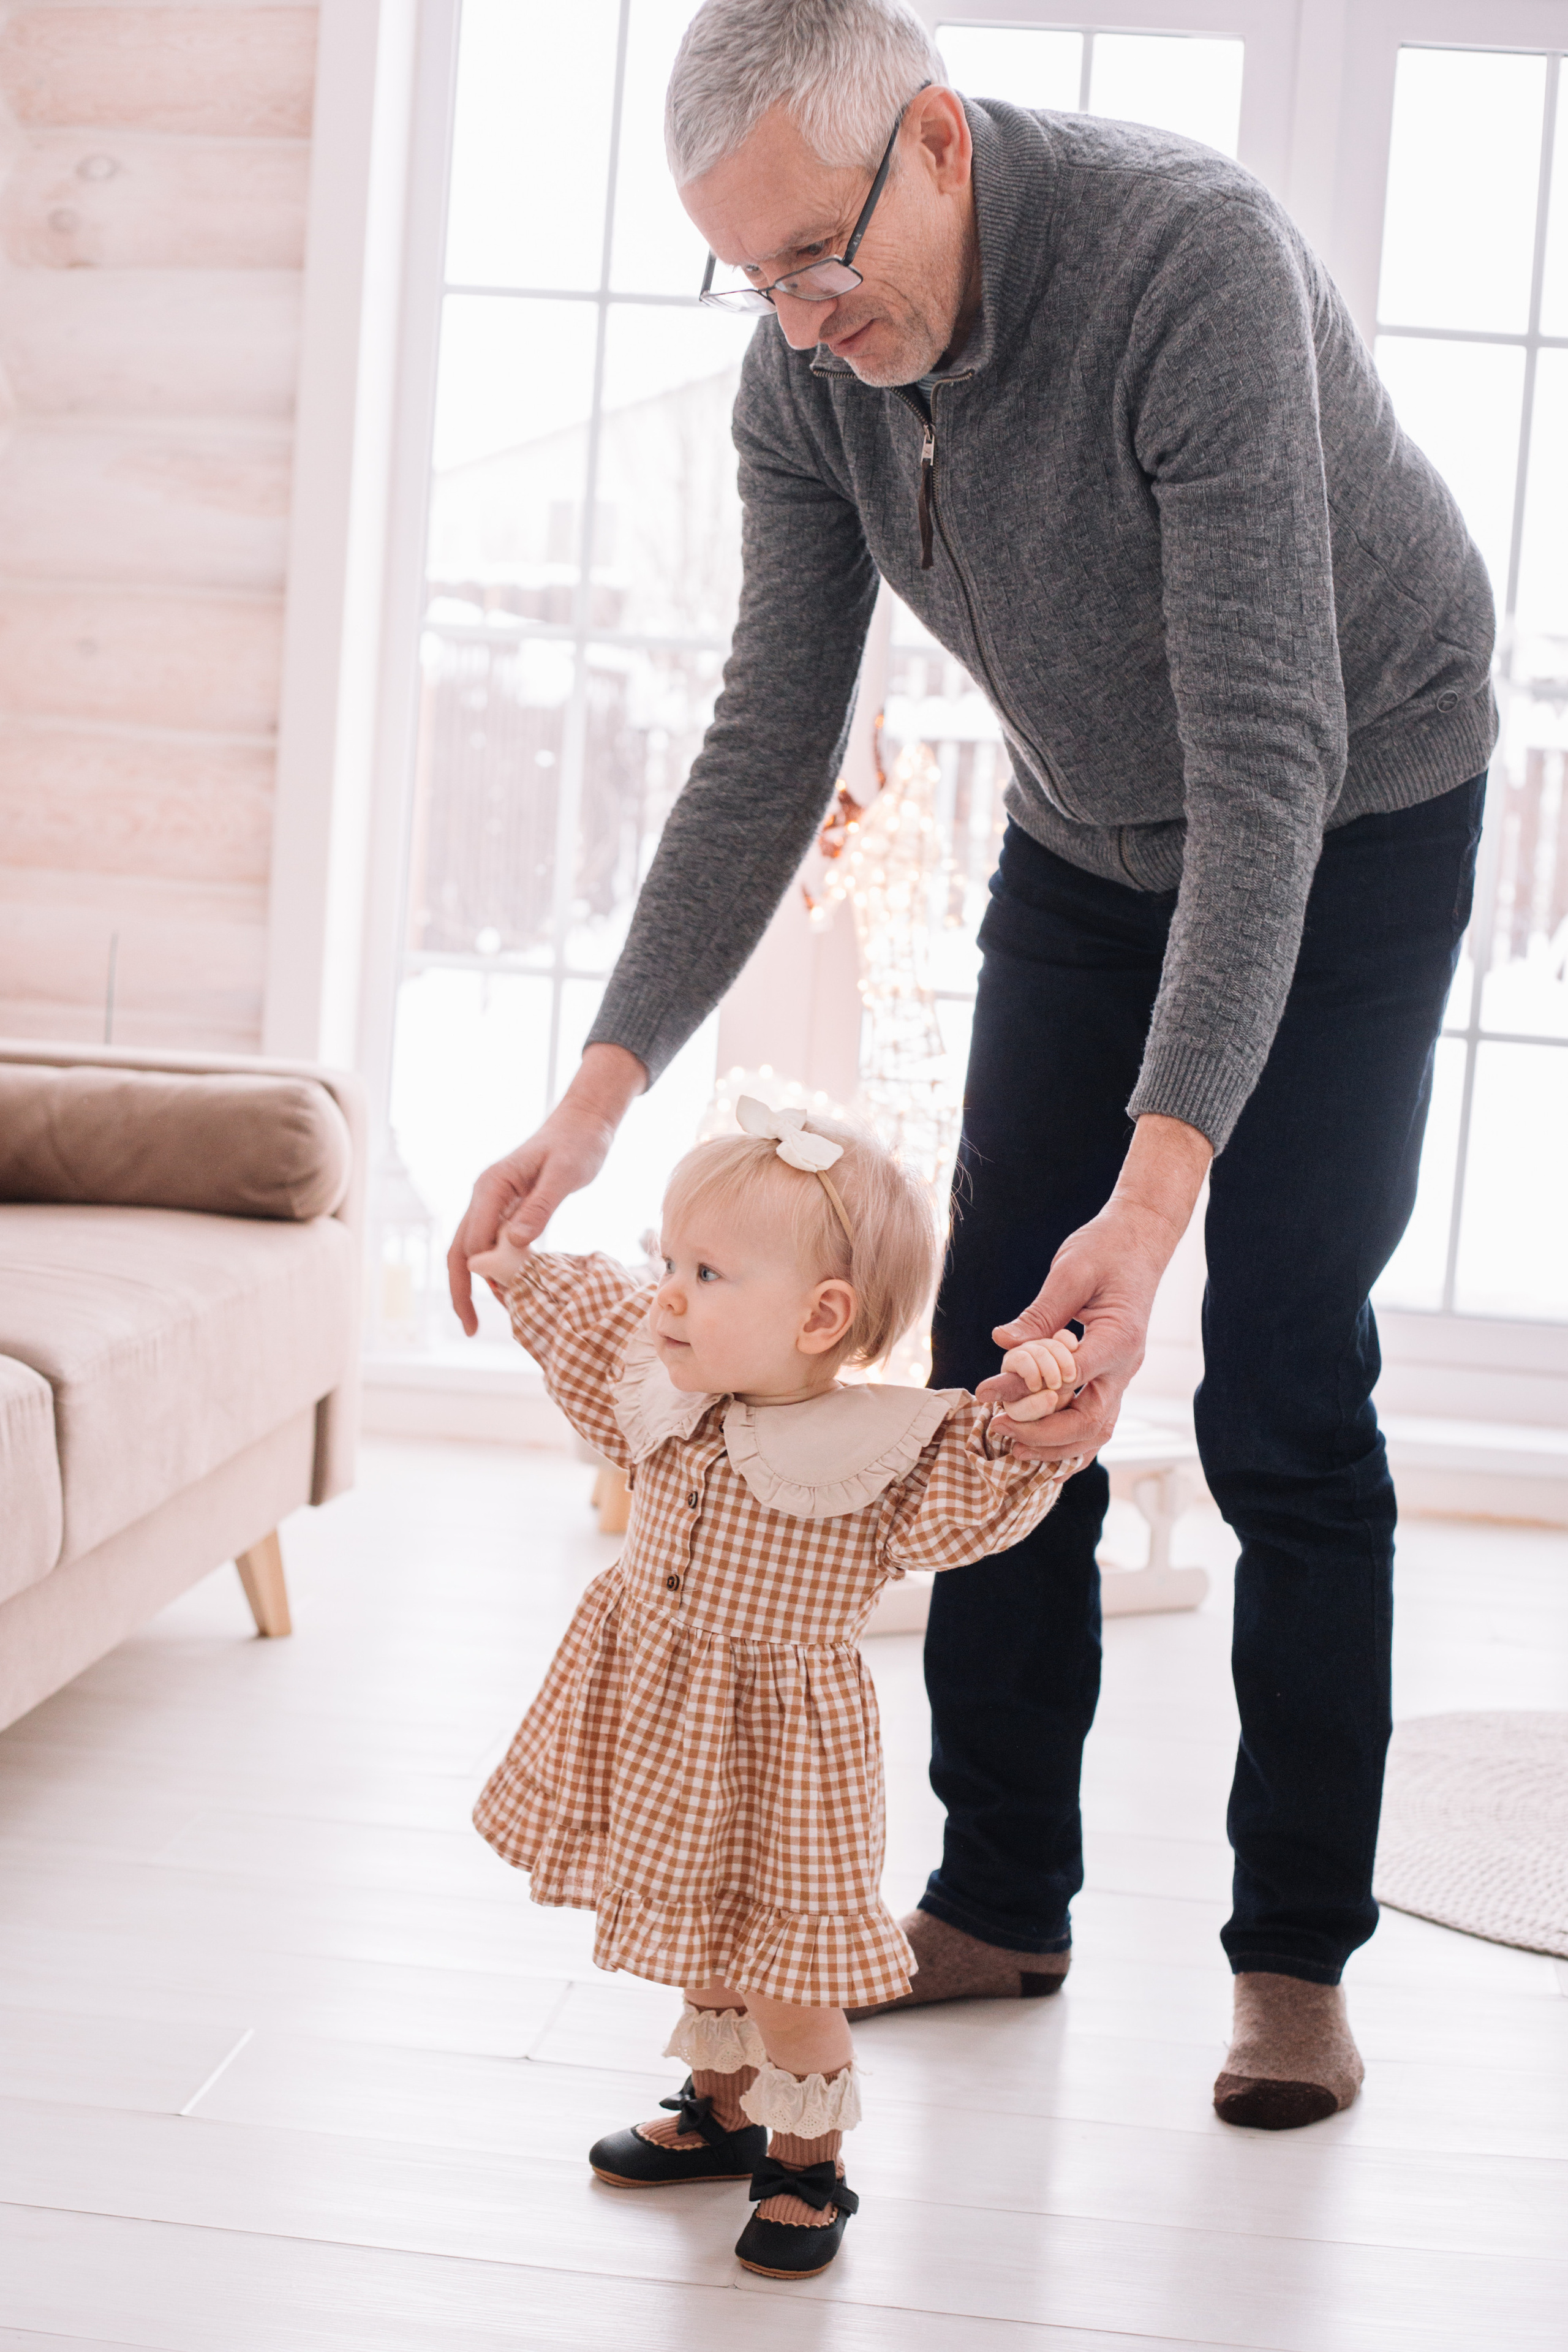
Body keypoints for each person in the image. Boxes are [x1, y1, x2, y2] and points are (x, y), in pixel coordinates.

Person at [450, 0, 1496, 2131]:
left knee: (1288, 1373)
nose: (800, 319)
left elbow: (1270, 753)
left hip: (1360, 810)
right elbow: (767, 744)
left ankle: (1294, 1953)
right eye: (751, 276)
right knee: (998, 1390)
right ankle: (1002, 1887)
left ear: (936, 141)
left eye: (818, 259)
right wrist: (599, 1089)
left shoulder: (1182, 263)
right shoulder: (804, 382)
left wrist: (1163, 1177)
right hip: (1084, 835)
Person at [468, 1101, 1075, 2277]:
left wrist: (1034, 1410)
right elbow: (593, 1329)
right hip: (659, 1723)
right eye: (669, 1262)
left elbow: (984, 1486)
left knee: (785, 1973)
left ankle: (808, 2164)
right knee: (697, 1928)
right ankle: (721, 2108)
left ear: (822, 1316)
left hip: (783, 1757)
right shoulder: (665, 1388)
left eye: (705, 1273)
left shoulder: (882, 1455)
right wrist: (515, 1268)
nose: (669, 1296)